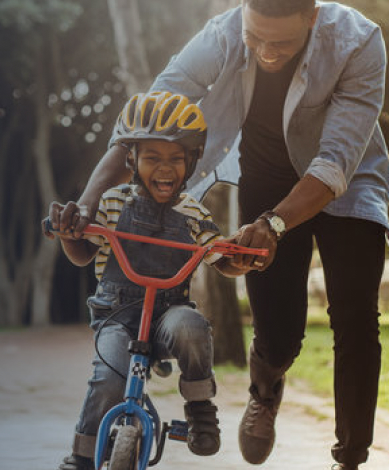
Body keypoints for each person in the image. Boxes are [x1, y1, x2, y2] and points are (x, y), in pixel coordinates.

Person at [55, 1, 389, 469]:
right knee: (279, 334)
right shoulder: (223, 34)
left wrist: (275, 224)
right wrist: (89, 202)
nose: (267, 53)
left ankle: (351, 457)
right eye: (256, 39)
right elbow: (150, 116)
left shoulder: (358, 41)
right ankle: (266, 388)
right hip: (268, 178)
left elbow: (336, 160)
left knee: (356, 317)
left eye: (282, 43)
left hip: (348, 180)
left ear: (313, 18)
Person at [47, 91, 248, 470]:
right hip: (117, 315)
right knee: (108, 378)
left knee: (191, 327)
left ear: (191, 161)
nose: (165, 168)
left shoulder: (194, 213)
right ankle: (82, 455)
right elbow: (82, 254)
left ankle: (200, 408)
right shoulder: (112, 202)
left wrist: (243, 260)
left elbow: (221, 259)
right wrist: (68, 234)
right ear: (132, 159)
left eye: (176, 158)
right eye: (153, 158)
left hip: (167, 315)